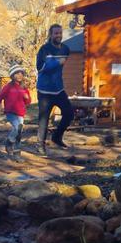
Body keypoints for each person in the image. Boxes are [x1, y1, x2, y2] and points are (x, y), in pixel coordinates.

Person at [35, 24, 73, 156]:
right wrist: (57, 63)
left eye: (60, 33)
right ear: (51, 35)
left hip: (58, 89)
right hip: (44, 91)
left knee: (69, 113)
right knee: (43, 119)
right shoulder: (44, 50)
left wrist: (59, 64)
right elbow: (40, 68)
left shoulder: (66, 49)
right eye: (56, 33)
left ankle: (57, 137)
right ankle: (40, 145)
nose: (59, 35)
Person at [0, 65, 31, 162]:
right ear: (12, 75)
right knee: (17, 128)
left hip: (20, 113)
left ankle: (17, 154)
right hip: (11, 112)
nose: (19, 75)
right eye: (17, 73)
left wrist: (27, 98)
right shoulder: (8, 87)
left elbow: (28, 102)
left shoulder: (24, 87)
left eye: (21, 73)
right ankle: (9, 142)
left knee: (19, 133)